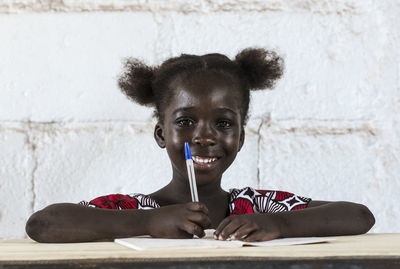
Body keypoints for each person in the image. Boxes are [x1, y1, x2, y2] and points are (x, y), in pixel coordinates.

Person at [25, 48, 375, 243]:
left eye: (223, 124)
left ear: (239, 136)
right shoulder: (133, 209)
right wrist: (149, 222)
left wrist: (279, 225)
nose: (204, 136)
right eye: (185, 122)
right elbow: (44, 224)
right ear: (162, 134)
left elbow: (359, 216)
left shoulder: (257, 208)